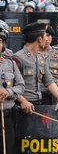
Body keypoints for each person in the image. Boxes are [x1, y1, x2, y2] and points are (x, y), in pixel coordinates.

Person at [13, 22, 58, 115]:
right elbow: (11, 85)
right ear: (39, 39)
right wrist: (22, 101)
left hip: (40, 104)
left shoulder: (40, 57)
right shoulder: (18, 58)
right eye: (45, 36)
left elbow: (49, 81)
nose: (47, 39)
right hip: (22, 106)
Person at [0, 23, 24, 154]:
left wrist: (8, 92)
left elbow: (21, 86)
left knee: (7, 149)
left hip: (7, 117)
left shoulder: (11, 64)